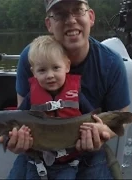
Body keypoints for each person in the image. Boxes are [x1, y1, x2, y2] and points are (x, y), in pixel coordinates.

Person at [0, 0, 131, 179]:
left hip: (88, 151)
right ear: (49, 24)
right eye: (60, 14)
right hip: (38, 151)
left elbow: (121, 118)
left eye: (78, 10)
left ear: (90, 17)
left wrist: (103, 134)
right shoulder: (30, 58)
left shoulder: (111, 63)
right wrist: (16, 141)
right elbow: (23, 114)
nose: (70, 20)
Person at [19, 34, 95, 179]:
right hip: (36, 161)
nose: (50, 75)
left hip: (68, 162)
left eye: (55, 68)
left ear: (67, 66)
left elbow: (92, 116)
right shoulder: (31, 97)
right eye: (42, 70)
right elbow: (18, 117)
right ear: (33, 71)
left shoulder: (77, 94)